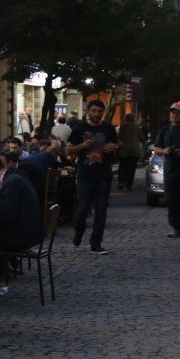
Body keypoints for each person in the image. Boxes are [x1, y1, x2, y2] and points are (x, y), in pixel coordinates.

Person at [66, 99, 118, 254]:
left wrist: (114, 146)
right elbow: (68, 150)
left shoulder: (108, 128)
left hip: (104, 175)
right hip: (84, 174)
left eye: (99, 111)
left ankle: (96, 244)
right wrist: (82, 146)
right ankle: (79, 231)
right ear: (88, 111)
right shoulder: (79, 128)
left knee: (101, 210)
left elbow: (117, 145)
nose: (97, 114)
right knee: (82, 209)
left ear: (103, 112)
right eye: (94, 111)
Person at [0, 154, 42, 253]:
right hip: (28, 231)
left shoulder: (11, 182)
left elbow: (5, 216)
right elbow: (15, 204)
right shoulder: (16, 176)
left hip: (19, 237)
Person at [152, 102, 180, 237]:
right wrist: (165, 151)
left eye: (177, 113)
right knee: (171, 199)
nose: (174, 116)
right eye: (172, 113)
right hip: (170, 171)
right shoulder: (165, 130)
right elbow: (156, 147)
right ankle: (176, 227)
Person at [116, 113, 143, 191]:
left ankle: (121, 182)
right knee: (131, 168)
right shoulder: (137, 127)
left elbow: (119, 137)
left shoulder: (122, 126)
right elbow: (141, 138)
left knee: (122, 167)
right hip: (134, 150)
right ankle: (128, 185)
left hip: (124, 150)